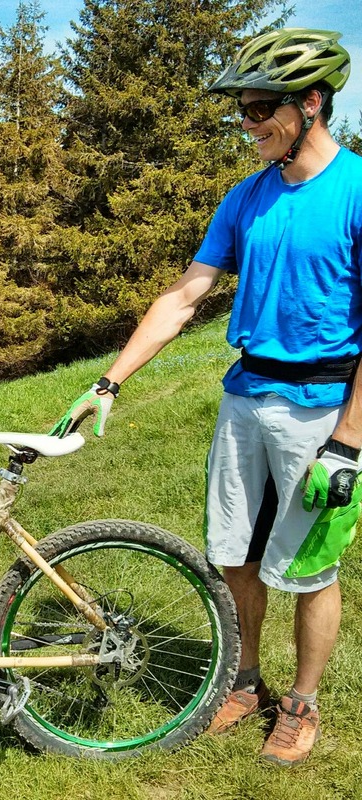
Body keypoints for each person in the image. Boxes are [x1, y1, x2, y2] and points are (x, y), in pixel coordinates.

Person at [51, 27, 361, 767]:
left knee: (312, 569)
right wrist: (107, 382)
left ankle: (303, 702)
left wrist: (350, 442)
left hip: (322, 411)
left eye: (261, 109)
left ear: (311, 104)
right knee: (236, 558)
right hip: (245, 397)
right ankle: (247, 679)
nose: (248, 124)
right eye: (243, 111)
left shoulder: (355, 193)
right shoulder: (246, 197)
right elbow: (186, 296)